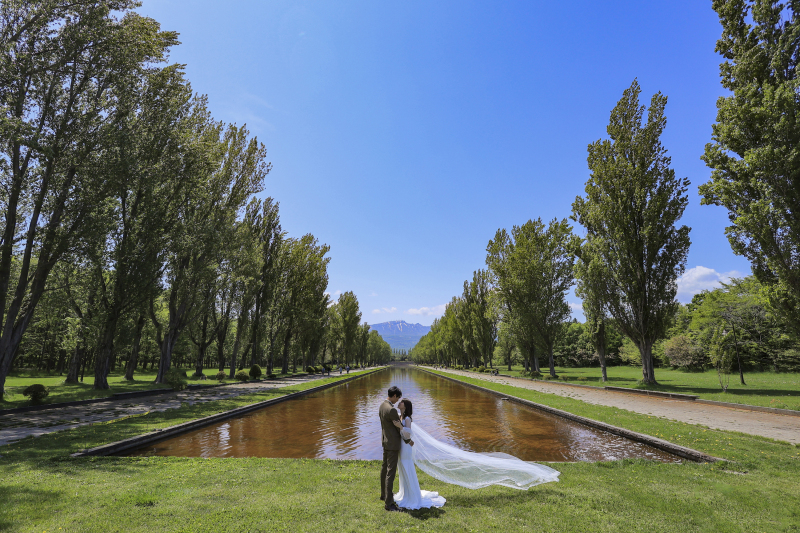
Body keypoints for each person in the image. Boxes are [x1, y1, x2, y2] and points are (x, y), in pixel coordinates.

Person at [393, 399, 446, 510]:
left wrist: (400, 427)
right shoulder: (400, 416)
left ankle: (412, 496)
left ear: (405, 406)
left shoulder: (407, 419)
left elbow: (408, 435)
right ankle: (405, 493)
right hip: (401, 446)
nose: (400, 402)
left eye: (402, 402)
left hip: (405, 448)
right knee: (402, 468)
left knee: (407, 467)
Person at [379, 386, 412, 512]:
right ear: (393, 396)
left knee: (384, 468)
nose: (397, 400)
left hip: (385, 441)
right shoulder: (392, 410)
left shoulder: (382, 405)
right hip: (392, 444)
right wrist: (409, 441)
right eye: (397, 398)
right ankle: (389, 503)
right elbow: (400, 428)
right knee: (390, 472)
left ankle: (384, 495)